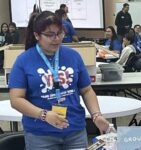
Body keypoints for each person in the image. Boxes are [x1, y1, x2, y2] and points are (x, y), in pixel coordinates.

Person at [9, 11, 109, 150]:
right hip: (41, 134)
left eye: (60, 33)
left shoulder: (73, 56)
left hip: (75, 131)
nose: (56, 38)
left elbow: (86, 90)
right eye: (50, 35)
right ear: (37, 35)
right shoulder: (24, 60)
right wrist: (43, 115)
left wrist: (96, 115)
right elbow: (16, 99)